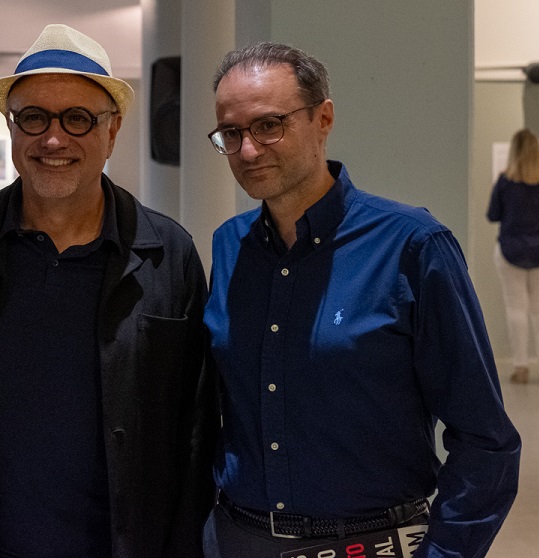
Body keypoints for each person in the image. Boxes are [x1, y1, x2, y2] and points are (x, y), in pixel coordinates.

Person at [202, 43, 520, 558]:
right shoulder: (229, 246)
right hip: (238, 538)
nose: (249, 151)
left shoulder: (412, 245)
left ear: (323, 119)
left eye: (268, 126)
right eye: (231, 134)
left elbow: (485, 439)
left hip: (370, 542)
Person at [0, 24, 217, 558]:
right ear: (11, 128)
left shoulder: (169, 255)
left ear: (112, 131)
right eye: (34, 117)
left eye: (78, 118)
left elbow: (195, 432)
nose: (53, 140)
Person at [487, 128, 539, 385]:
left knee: (516, 308)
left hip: (510, 252)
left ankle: (520, 366)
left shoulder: (504, 182)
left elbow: (492, 215)